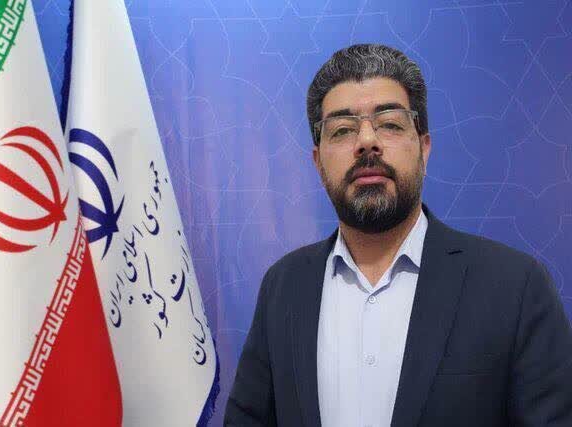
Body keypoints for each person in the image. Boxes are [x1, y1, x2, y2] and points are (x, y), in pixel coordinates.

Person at [224, 44, 572, 427]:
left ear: (424, 148)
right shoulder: (284, 286)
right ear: (319, 162)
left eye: (389, 124)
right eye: (342, 130)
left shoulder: (514, 286)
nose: (366, 141)